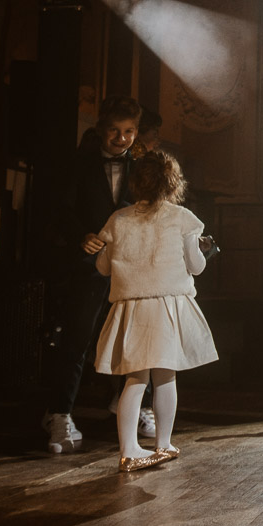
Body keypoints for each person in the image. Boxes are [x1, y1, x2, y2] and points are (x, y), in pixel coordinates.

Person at [88, 150, 218, 471]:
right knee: (165, 376)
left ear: (136, 184)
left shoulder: (118, 220)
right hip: (166, 307)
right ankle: (163, 443)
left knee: (134, 379)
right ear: (173, 184)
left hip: (132, 309)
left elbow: (103, 267)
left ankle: (128, 448)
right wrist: (205, 250)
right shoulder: (182, 217)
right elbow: (197, 267)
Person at [42, 95, 144, 454]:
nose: (121, 138)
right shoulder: (79, 165)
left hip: (129, 267)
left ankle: (128, 403)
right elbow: (61, 209)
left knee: (132, 341)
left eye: (129, 131)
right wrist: (81, 235)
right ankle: (59, 413)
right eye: (115, 130)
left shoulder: (144, 168)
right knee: (77, 338)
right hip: (87, 266)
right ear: (102, 130)